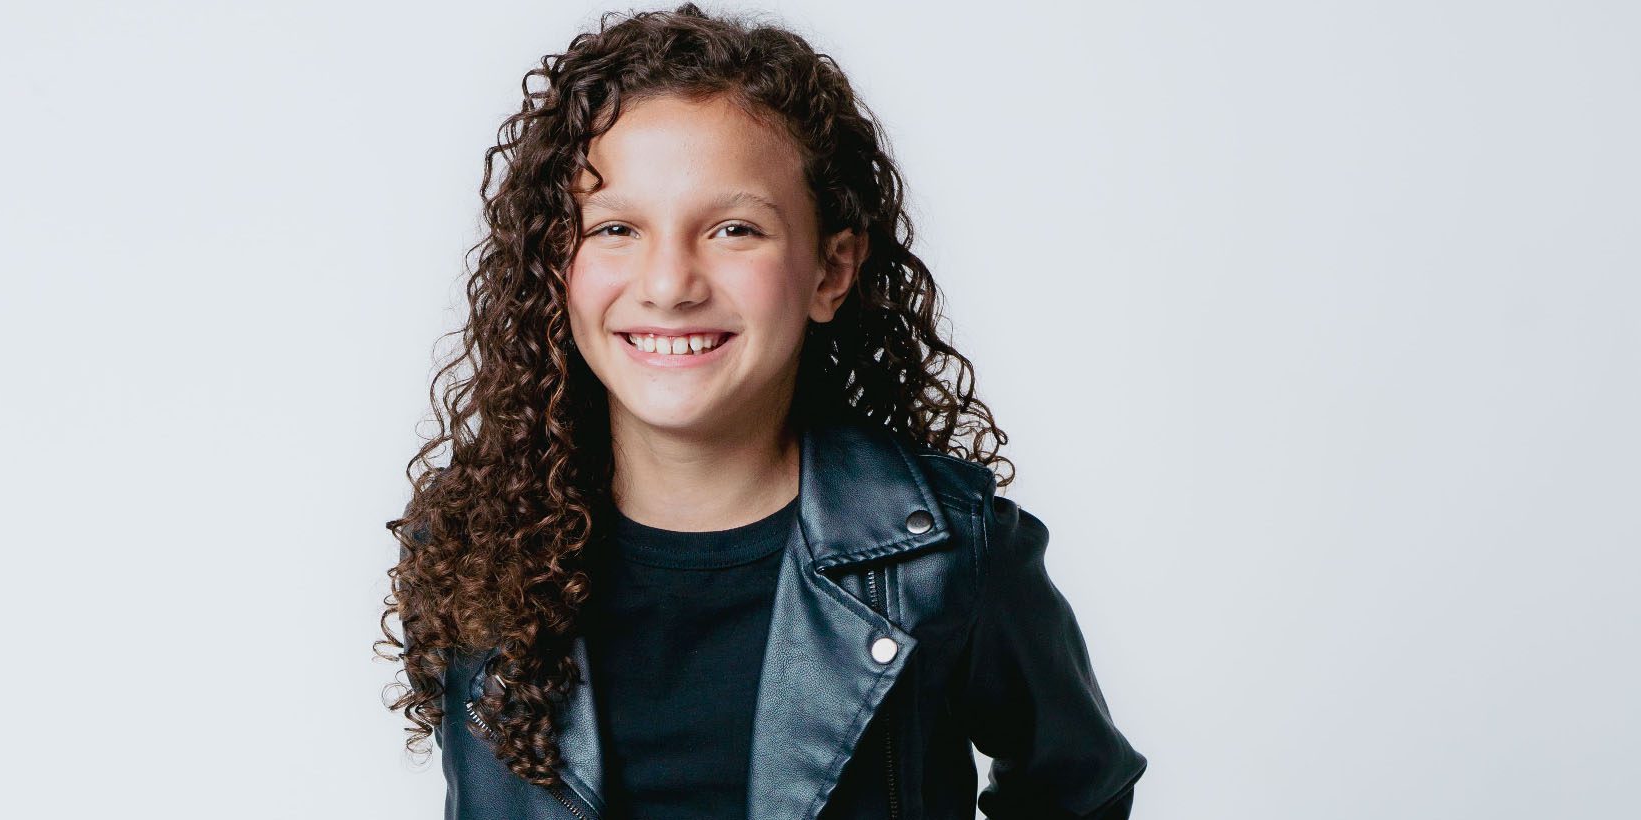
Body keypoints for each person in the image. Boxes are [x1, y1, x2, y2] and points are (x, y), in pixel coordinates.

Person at [378, 5, 1147, 818]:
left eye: (734, 229)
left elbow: (1080, 792)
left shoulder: (949, 556)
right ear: (552, 266)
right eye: (615, 228)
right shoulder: (476, 546)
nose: (669, 284)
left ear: (830, 272)